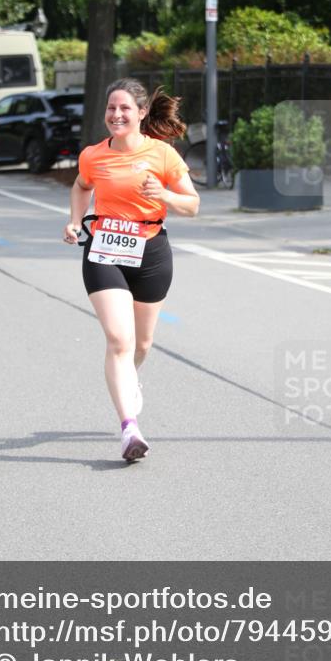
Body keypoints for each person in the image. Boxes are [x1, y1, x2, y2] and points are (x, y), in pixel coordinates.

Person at [64, 78, 199, 462]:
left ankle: (129, 378)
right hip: (105, 250)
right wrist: (75, 221)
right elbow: (80, 186)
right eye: (111, 108)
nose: (116, 115)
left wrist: (165, 195)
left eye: (125, 108)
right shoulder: (93, 155)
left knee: (141, 345)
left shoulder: (163, 155)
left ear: (141, 113)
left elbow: (192, 204)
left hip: (151, 251)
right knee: (119, 341)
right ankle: (130, 429)